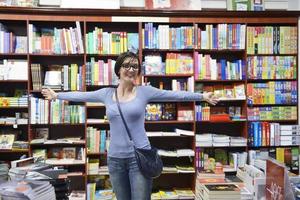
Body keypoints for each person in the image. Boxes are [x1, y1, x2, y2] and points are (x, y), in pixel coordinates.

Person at [41, 51, 219, 200]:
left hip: (139, 158)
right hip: (115, 159)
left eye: (135, 66)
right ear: (118, 69)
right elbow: (81, 96)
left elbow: (174, 94)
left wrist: (202, 97)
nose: (131, 69)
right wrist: (57, 96)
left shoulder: (145, 92)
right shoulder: (106, 93)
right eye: (127, 65)